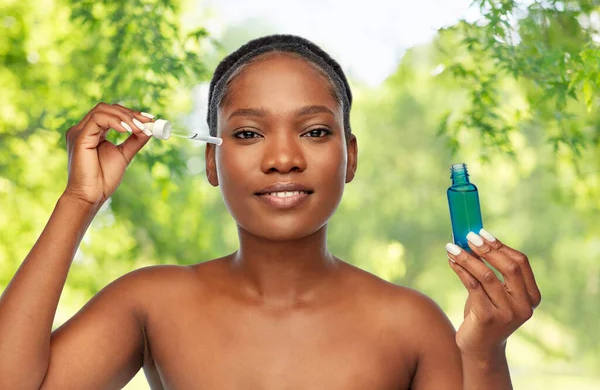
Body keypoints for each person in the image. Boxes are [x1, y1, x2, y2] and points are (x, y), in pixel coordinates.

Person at [0, 34, 541, 390]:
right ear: (213, 161)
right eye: (249, 133)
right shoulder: (151, 303)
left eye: (314, 131)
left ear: (349, 156)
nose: (283, 159)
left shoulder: (411, 325)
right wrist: (79, 202)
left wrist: (486, 353)